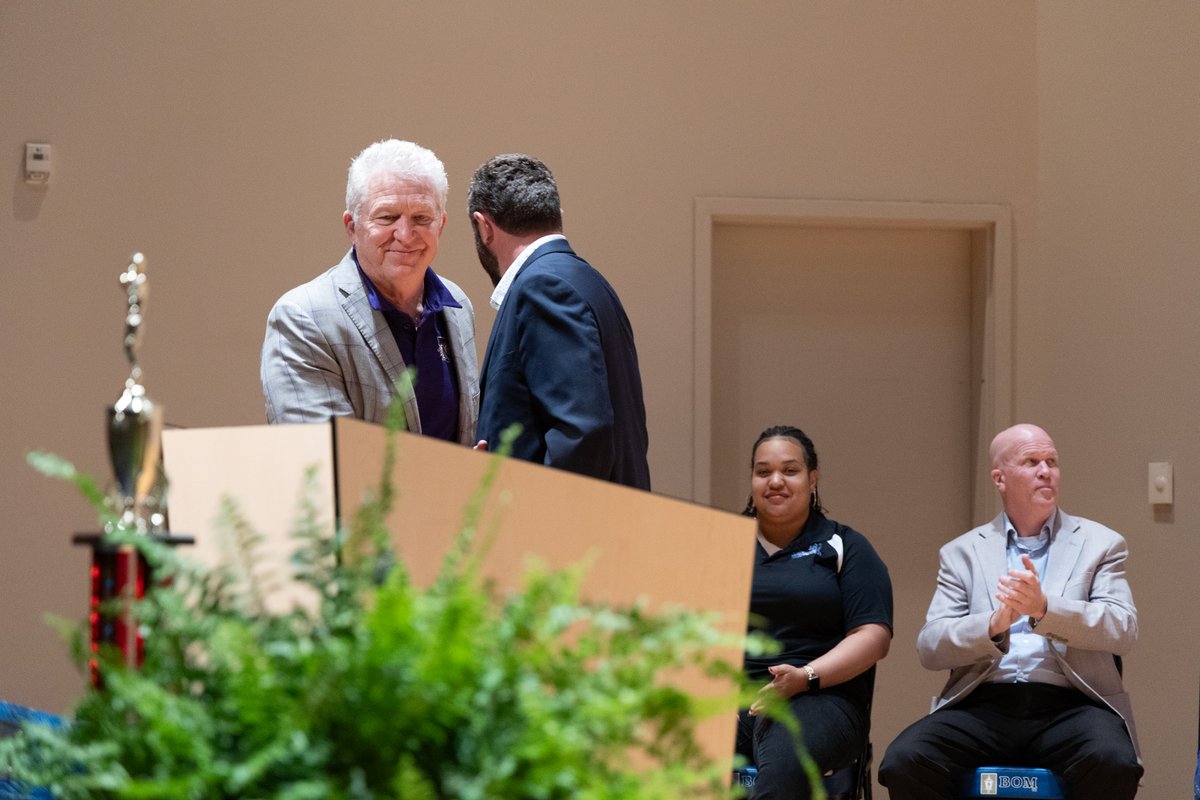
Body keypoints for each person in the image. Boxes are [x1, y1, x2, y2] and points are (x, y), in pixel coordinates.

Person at [879, 423, 1142, 799]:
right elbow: (931, 647)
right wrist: (994, 624)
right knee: (904, 762)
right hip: (984, 704)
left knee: (1115, 762)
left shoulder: (1101, 544)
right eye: (1031, 461)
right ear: (1000, 479)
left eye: (1052, 461)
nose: (1046, 471)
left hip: (1071, 705)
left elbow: (1123, 628)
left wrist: (1045, 609)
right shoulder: (962, 553)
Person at [261, 139, 478, 443]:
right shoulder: (301, 318)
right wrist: (447, 477)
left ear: (440, 225)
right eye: (387, 217)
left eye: (421, 218)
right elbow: (323, 459)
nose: (405, 235)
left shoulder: (458, 308)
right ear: (352, 226)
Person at [467, 154, 649, 489]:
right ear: (557, 217)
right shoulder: (592, 283)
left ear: (484, 227)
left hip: (562, 533)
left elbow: (583, 432)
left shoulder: (542, 287)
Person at [736, 425, 892, 799]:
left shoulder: (844, 546)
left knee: (786, 759)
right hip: (734, 696)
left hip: (818, 698)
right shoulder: (723, 542)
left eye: (790, 471)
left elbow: (873, 637)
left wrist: (806, 676)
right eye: (763, 472)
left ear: (812, 479)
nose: (776, 481)